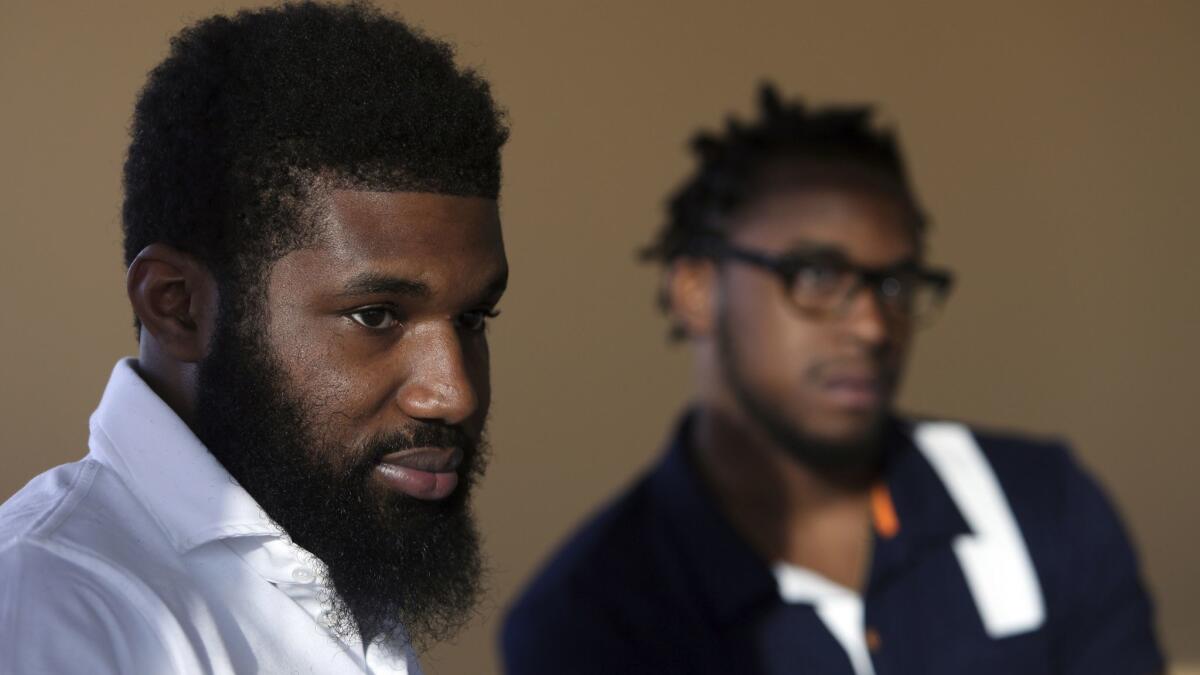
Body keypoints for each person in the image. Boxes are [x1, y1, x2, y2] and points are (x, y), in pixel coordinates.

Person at [501, 86, 1163, 675]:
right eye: (818, 277)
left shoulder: (1043, 505)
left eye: (896, 284)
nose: (875, 325)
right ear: (698, 290)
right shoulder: (590, 619)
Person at [0, 3, 508, 673]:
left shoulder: (333, 546)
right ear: (177, 307)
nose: (454, 393)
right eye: (376, 315)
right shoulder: (53, 607)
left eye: (472, 318)